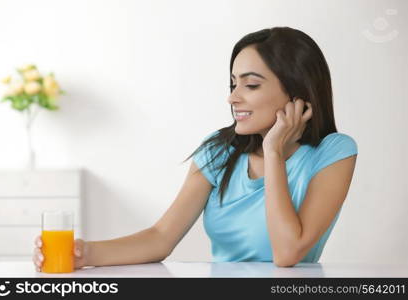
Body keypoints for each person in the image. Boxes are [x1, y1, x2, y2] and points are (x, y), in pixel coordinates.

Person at [33, 27, 357, 271]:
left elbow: (287, 254)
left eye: (251, 84)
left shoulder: (333, 152)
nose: (233, 97)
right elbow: (161, 237)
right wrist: (83, 253)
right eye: (233, 83)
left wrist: (273, 152)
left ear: (298, 92)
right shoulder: (219, 151)